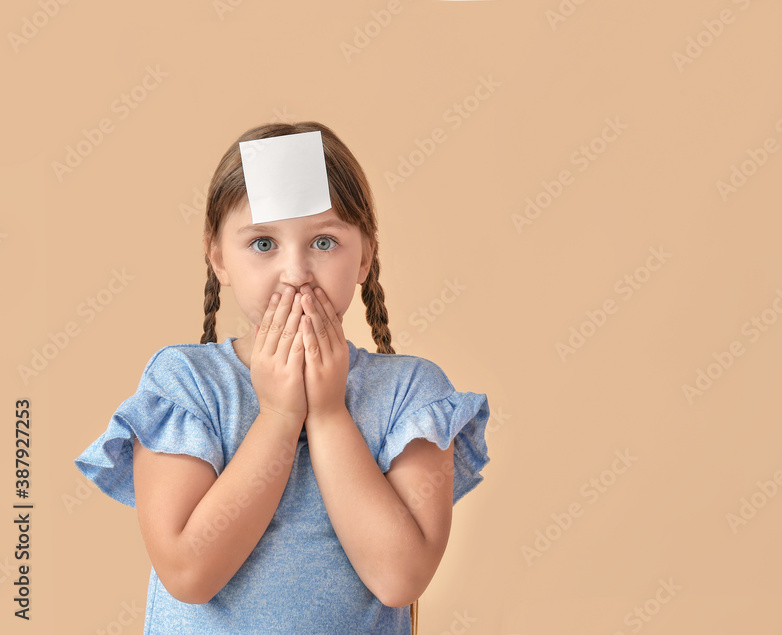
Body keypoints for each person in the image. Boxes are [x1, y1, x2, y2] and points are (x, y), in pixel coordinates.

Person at [73, 121, 491, 634]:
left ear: (365, 255)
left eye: (323, 241)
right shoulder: (185, 384)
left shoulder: (410, 394)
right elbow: (188, 573)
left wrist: (330, 414)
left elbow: (400, 578)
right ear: (218, 256)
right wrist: (279, 414)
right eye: (264, 244)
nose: (296, 272)